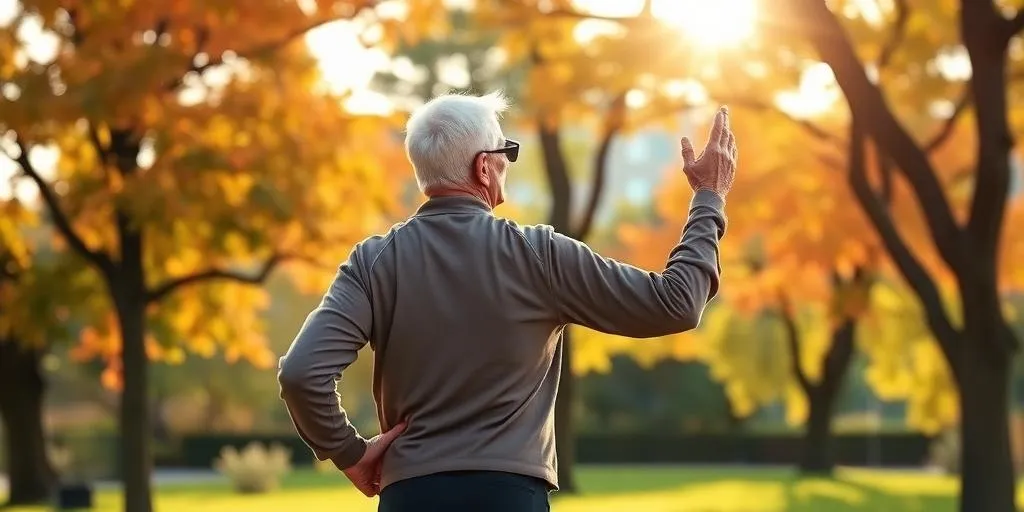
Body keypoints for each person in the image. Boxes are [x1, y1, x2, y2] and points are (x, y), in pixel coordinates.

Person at [277, 92, 737, 511]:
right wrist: (708, 199)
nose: (507, 165)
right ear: (483, 166)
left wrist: (349, 454)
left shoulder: (374, 261)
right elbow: (676, 303)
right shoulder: (538, 254)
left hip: (411, 495)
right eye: (505, 153)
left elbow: (301, 373)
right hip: (510, 496)